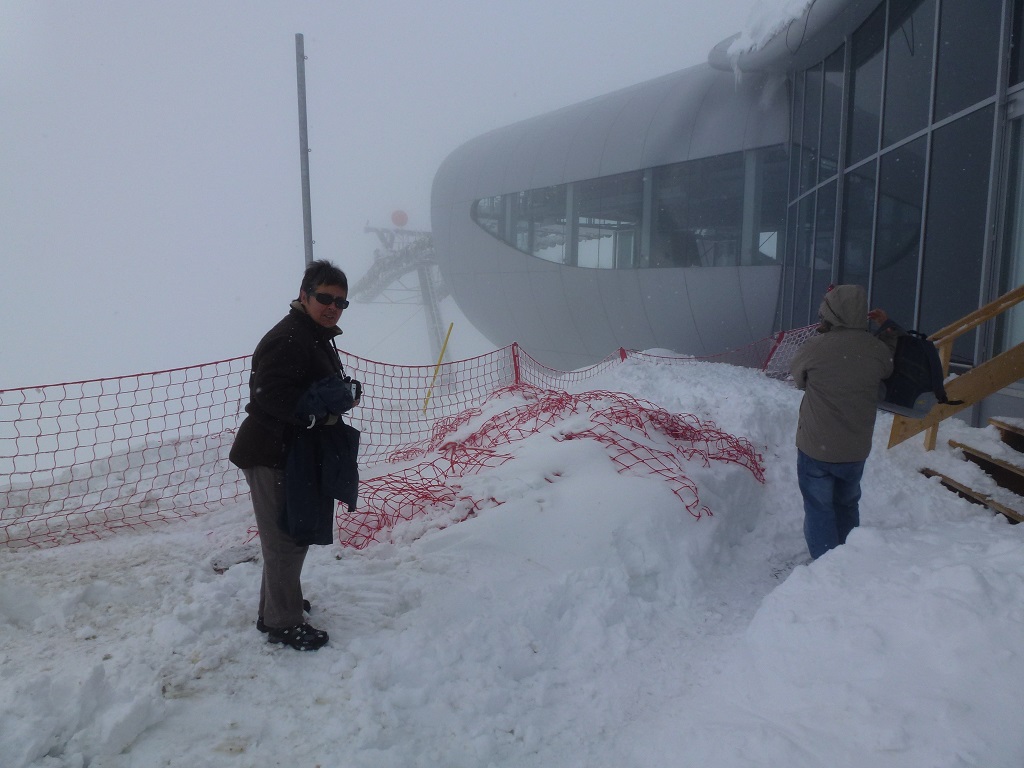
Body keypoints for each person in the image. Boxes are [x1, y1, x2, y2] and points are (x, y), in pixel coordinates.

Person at [229, 259, 359, 651]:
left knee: (291, 533)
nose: (332, 307)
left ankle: (277, 603)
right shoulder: (289, 337)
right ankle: (281, 622)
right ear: (304, 294)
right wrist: (316, 411)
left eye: (340, 302)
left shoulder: (313, 335)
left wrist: (340, 394)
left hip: (293, 451)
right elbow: (269, 395)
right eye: (325, 298)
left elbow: (308, 385)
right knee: (284, 540)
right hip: (272, 452)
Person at [789, 284, 899, 560]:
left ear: (829, 312)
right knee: (847, 504)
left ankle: (825, 564)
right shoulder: (876, 349)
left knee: (819, 508)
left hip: (816, 447)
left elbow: (799, 378)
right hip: (854, 449)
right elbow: (888, 365)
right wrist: (887, 328)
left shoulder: (816, 347)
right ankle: (848, 561)